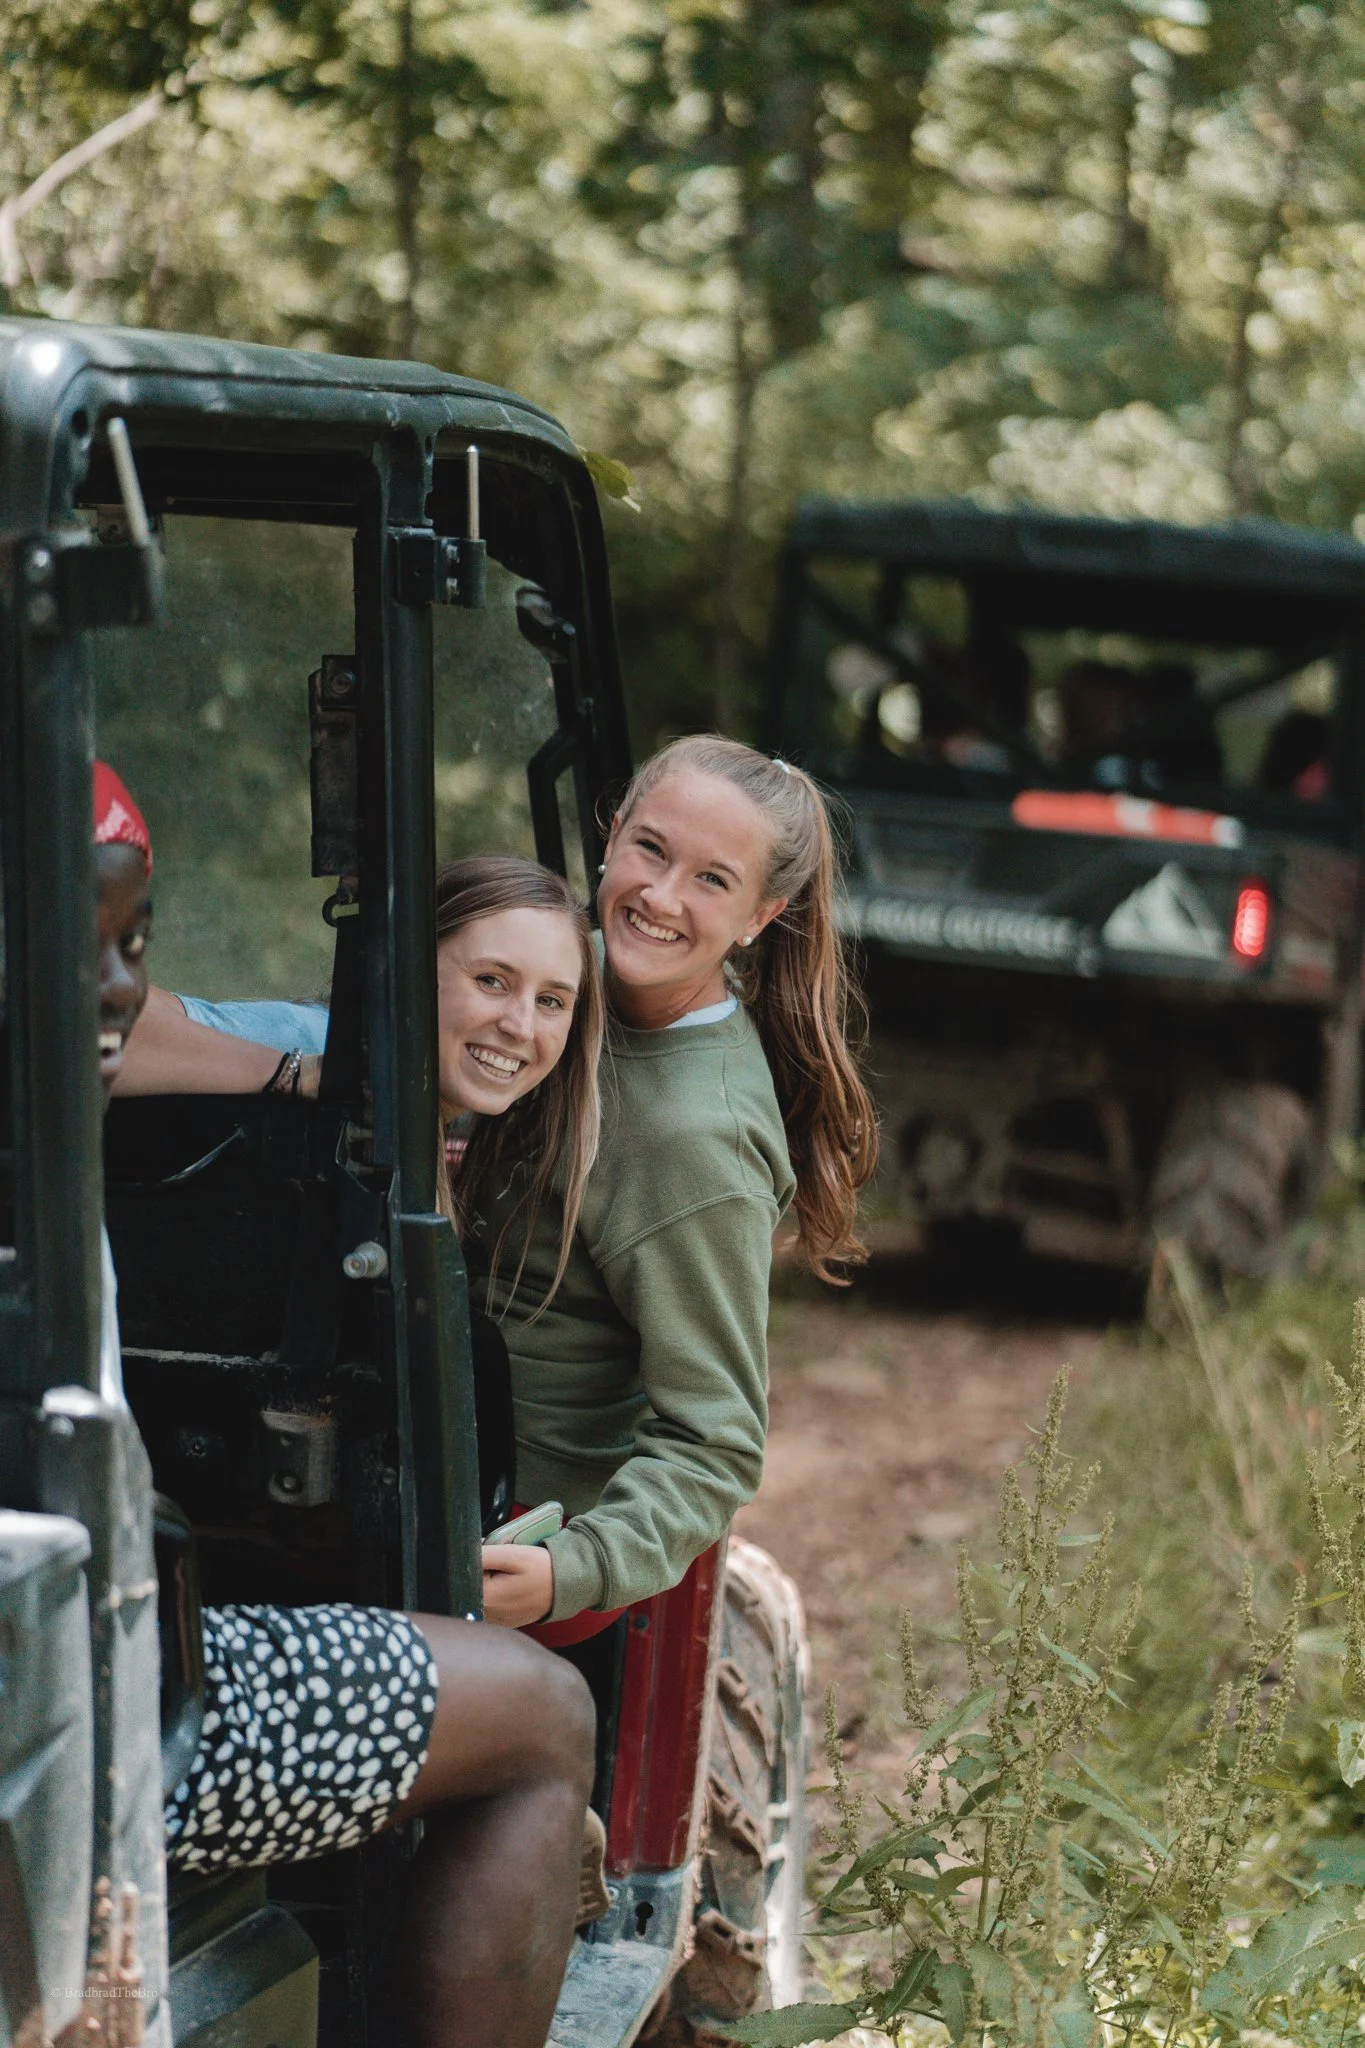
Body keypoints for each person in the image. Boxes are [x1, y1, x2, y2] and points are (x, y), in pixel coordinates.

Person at [92, 768, 597, 2048]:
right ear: (400, 971)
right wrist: (321, 1087)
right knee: (545, 1715)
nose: (518, 1023)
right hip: (123, 1679)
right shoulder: (301, 1055)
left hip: (160, 1607)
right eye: (489, 979)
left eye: (553, 1000)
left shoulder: (553, 1153)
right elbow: (123, 1027)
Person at [469, 736, 878, 1641]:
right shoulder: (554, 978)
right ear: (610, 835)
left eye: (710, 880)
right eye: (651, 849)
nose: (659, 897)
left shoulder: (695, 1142)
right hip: (421, 1413)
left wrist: (567, 1570)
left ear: (760, 916)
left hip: (504, 1539)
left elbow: (715, 1442)